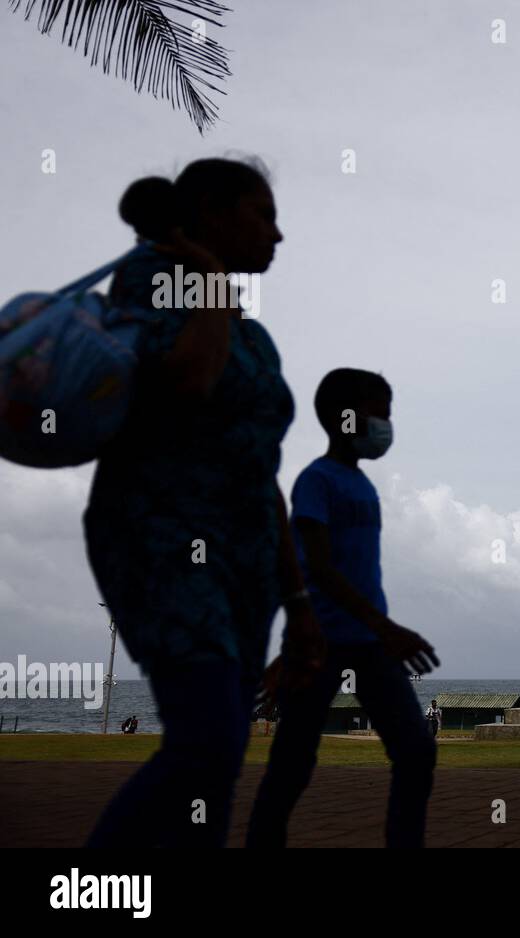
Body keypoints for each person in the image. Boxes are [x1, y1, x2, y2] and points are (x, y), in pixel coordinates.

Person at [85, 159, 324, 848]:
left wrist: (299, 601)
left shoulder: (253, 334)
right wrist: (212, 281)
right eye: (263, 215)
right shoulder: (151, 281)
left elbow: (260, 472)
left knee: (217, 771)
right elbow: (188, 383)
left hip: (246, 562)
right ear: (211, 213)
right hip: (163, 542)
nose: (278, 235)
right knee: (206, 743)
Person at [247, 369, 439, 848]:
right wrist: (386, 627)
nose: (386, 425)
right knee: (292, 766)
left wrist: (379, 631)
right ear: (344, 417)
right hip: (322, 646)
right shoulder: (316, 481)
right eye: (380, 413)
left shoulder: (365, 486)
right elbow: (318, 567)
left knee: (416, 751)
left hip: (371, 647)